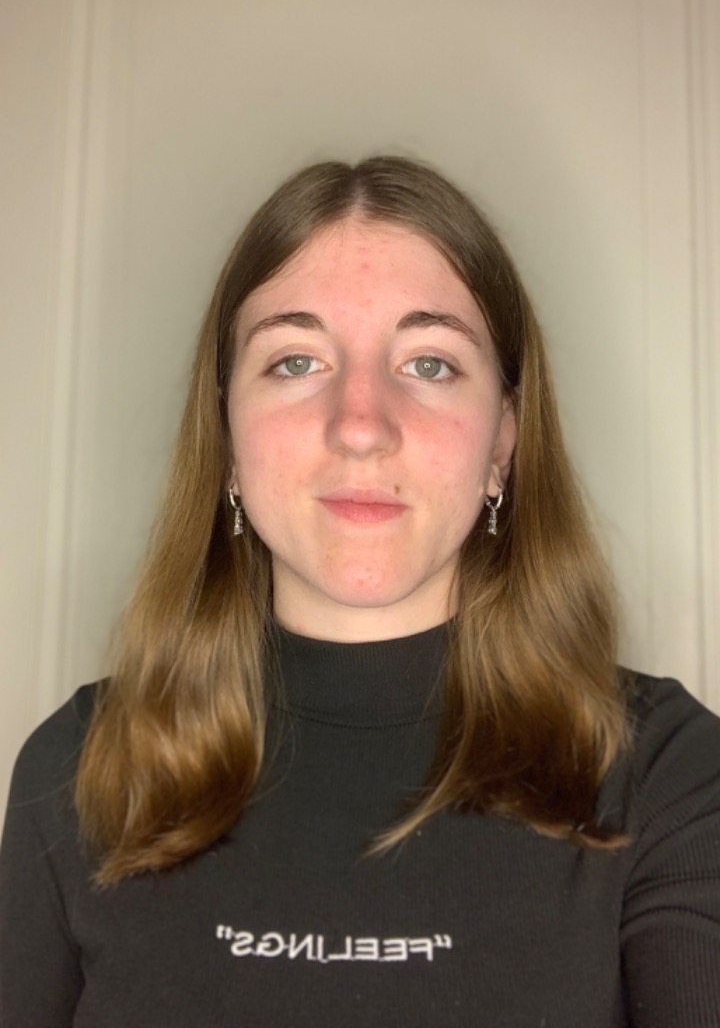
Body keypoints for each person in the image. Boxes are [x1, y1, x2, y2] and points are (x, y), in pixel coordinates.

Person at [1, 156, 719, 1027]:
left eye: (430, 364)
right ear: (226, 436)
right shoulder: (79, 769)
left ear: (503, 439)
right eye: (297, 360)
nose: (362, 426)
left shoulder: (667, 772)